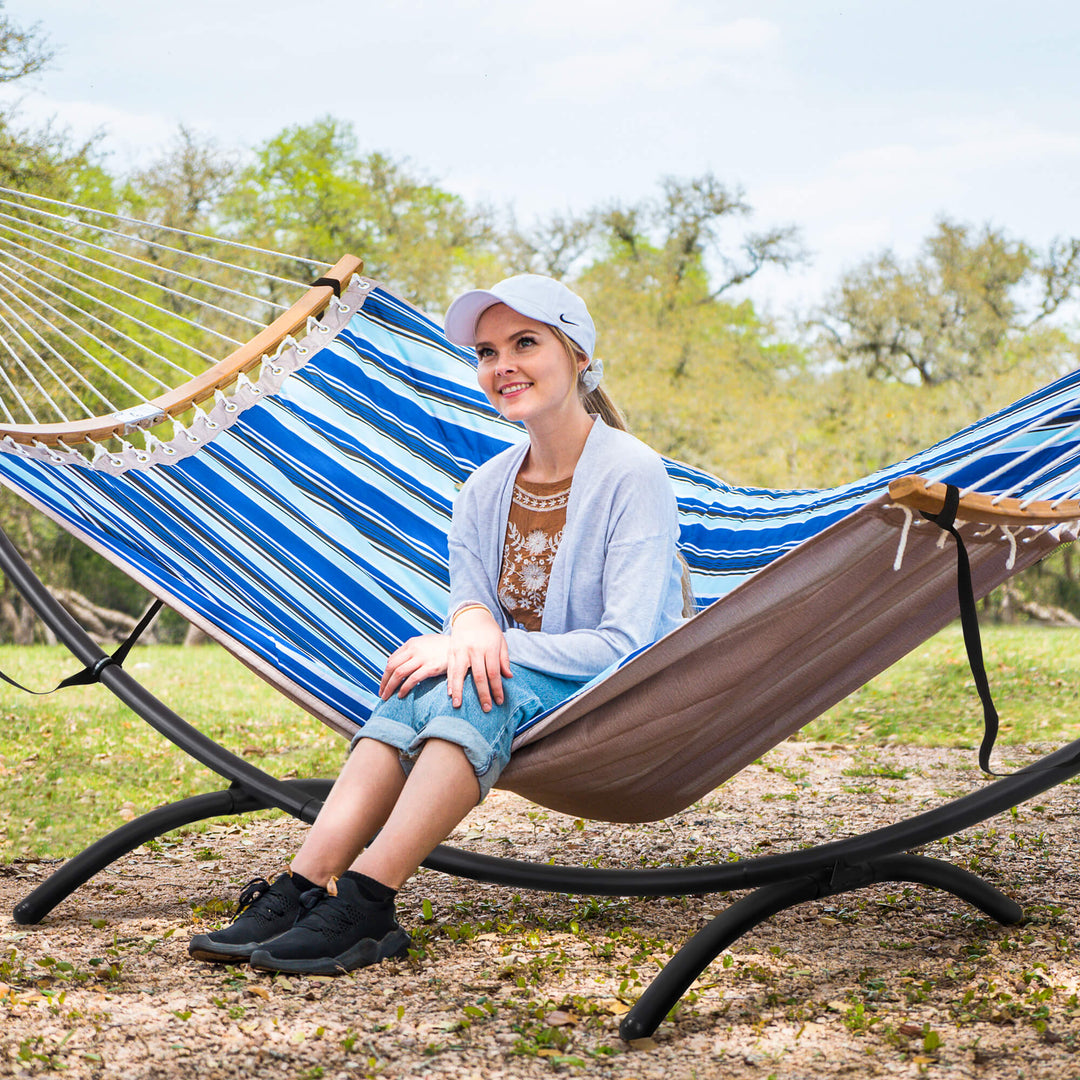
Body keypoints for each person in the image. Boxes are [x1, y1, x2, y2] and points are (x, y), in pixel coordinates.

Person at [188, 274, 688, 976]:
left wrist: (484, 643)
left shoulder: (631, 473)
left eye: (525, 343)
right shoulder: (484, 489)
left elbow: (626, 642)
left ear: (577, 355)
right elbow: (471, 600)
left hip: (619, 692)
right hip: (526, 680)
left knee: (466, 682)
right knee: (416, 678)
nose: (502, 365)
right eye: (487, 352)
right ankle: (303, 885)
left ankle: (368, 900)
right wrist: (471, 627)